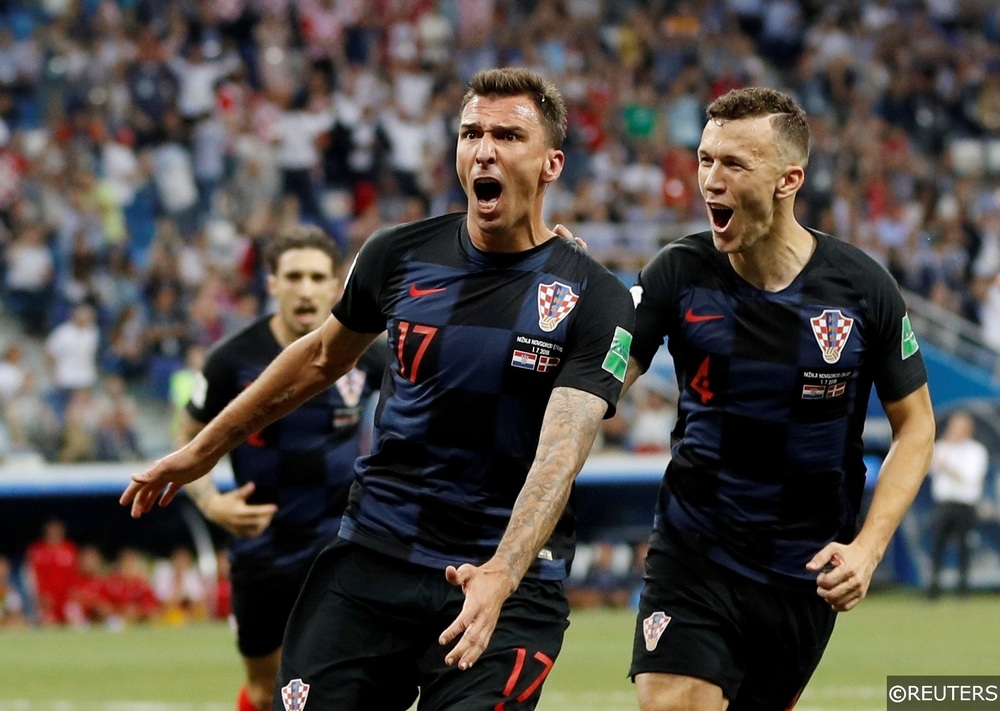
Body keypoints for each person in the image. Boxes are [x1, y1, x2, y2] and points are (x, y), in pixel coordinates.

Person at [121, 67, 635, 711]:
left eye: (508, 135)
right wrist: (200, 451)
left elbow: (564, 448)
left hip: (505, 579)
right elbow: (315, 361)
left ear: (551, 163)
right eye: (471, 132)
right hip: (375, 557)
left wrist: (503, 571)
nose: (484, 149)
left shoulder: (596, 296)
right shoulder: (399, 254)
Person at [622, 87, 935, 710]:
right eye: (705, 159)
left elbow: (916, 427)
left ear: (788, 179)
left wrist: (869, 550)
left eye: (734, 165)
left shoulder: (861, 288)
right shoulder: (676, 274)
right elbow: (598, 389)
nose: (710, 180)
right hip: (695, 553)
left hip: (804, 571)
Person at [177, 225, 386, 711]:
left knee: (341, 686)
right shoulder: (231, 361)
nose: (306, 289)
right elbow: (186, 445)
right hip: (262, 550)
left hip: (339, 544)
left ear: (336, 285)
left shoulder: (364, 355)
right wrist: (211, 502)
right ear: (272, 284)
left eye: (317, 277)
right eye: (294, 276)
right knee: (264, 692)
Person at [926, 410, 989, 599]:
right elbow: (931, 470)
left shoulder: (976, 451)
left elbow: (970, 477)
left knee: (964, 545)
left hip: (965, 504)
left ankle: (963, 588)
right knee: (938, 544)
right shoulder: (941, 447)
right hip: (943, 503)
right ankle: (934, 587)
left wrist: (947, 466)